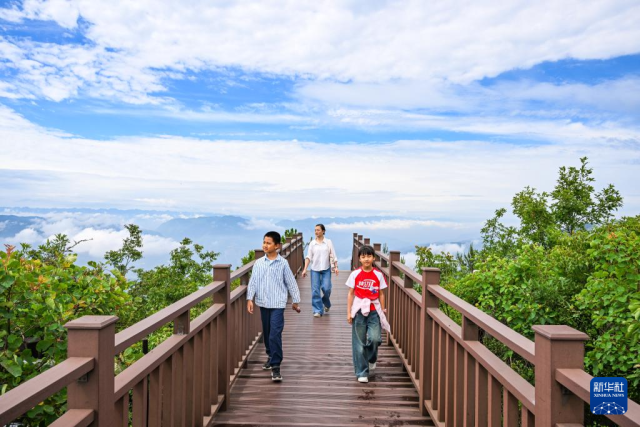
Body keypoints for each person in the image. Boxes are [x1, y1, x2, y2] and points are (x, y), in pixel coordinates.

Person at [247, 231, 301, 382]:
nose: (265, 245)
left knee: (275, 333)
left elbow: (290, 282)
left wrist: (295, 300)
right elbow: (253, 282)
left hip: (278, 303)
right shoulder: (259, 263)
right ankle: (270, 355)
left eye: (268, 243)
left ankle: (276, 366)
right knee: (267, 332)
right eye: (264, 242)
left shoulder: (283, 263)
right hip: (263, 302)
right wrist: (249, 298)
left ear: (277, 246)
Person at [345, 245, 391, 383]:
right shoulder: (355, 274)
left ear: (373, 258)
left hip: (373, 310)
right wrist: (349, 313)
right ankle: (362, 372)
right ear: (359, 259)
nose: (366, 259)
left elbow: (381, 294)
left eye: (369, 256)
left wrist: (383, 309)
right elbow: (350, 294)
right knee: (359, 343)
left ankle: (371, 358)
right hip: (359, 310)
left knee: (375, 338)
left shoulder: (378, 274)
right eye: (363, 256)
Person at [301, 224, 338, 318]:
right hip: (315, 269)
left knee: (327, 288)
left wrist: (336, 267)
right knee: (315, 290)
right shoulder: (312, 243)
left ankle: (326, 303)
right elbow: (308, 257)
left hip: (326, 269)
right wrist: (305, 269)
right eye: (315, 230)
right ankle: (317, 310)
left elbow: (333, 255)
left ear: (323, 231)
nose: (316, 232)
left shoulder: (328, 242)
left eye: (318, 230)